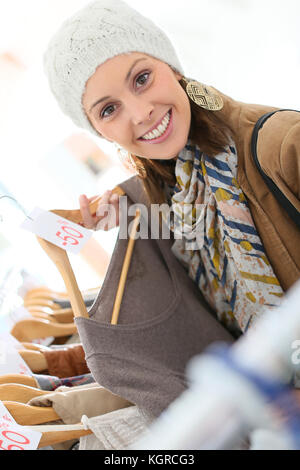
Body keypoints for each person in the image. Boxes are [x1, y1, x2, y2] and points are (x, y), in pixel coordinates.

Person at [43, 0, 300, 336]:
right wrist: (127, 213)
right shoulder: (173, 193)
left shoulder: (282, 143)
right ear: (99, 131)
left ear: (173, 68)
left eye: (142, 78)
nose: (140, 113)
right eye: (108, 110)